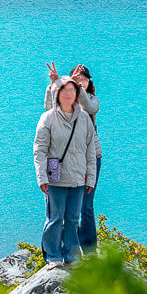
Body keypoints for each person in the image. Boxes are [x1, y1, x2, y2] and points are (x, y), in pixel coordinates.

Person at [34, 75, 97, 267]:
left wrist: (90, 179)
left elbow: (90, 149)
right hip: (56, 179)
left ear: (77, 94)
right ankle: (52, 256)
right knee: (55, 218)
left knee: (72, 219)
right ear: (57, 93)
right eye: (64, 90)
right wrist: (41, 177)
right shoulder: (48, 118)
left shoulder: (84, 118)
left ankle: (71, 256)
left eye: (71, 90)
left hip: (78, 178)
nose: (68, 94)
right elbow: (40, 149)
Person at [44, 63, 101, 251]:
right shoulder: (65, 100)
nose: (81, 81)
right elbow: (49, 108)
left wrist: (78, 89)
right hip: (63, 158)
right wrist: (54, 84)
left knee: (86, 206)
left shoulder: (91, 99)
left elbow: (89, 108)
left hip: (89, 156)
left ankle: (89, 250)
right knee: (61, 208)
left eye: (84, 78)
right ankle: (62, 248)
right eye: (78, 78)